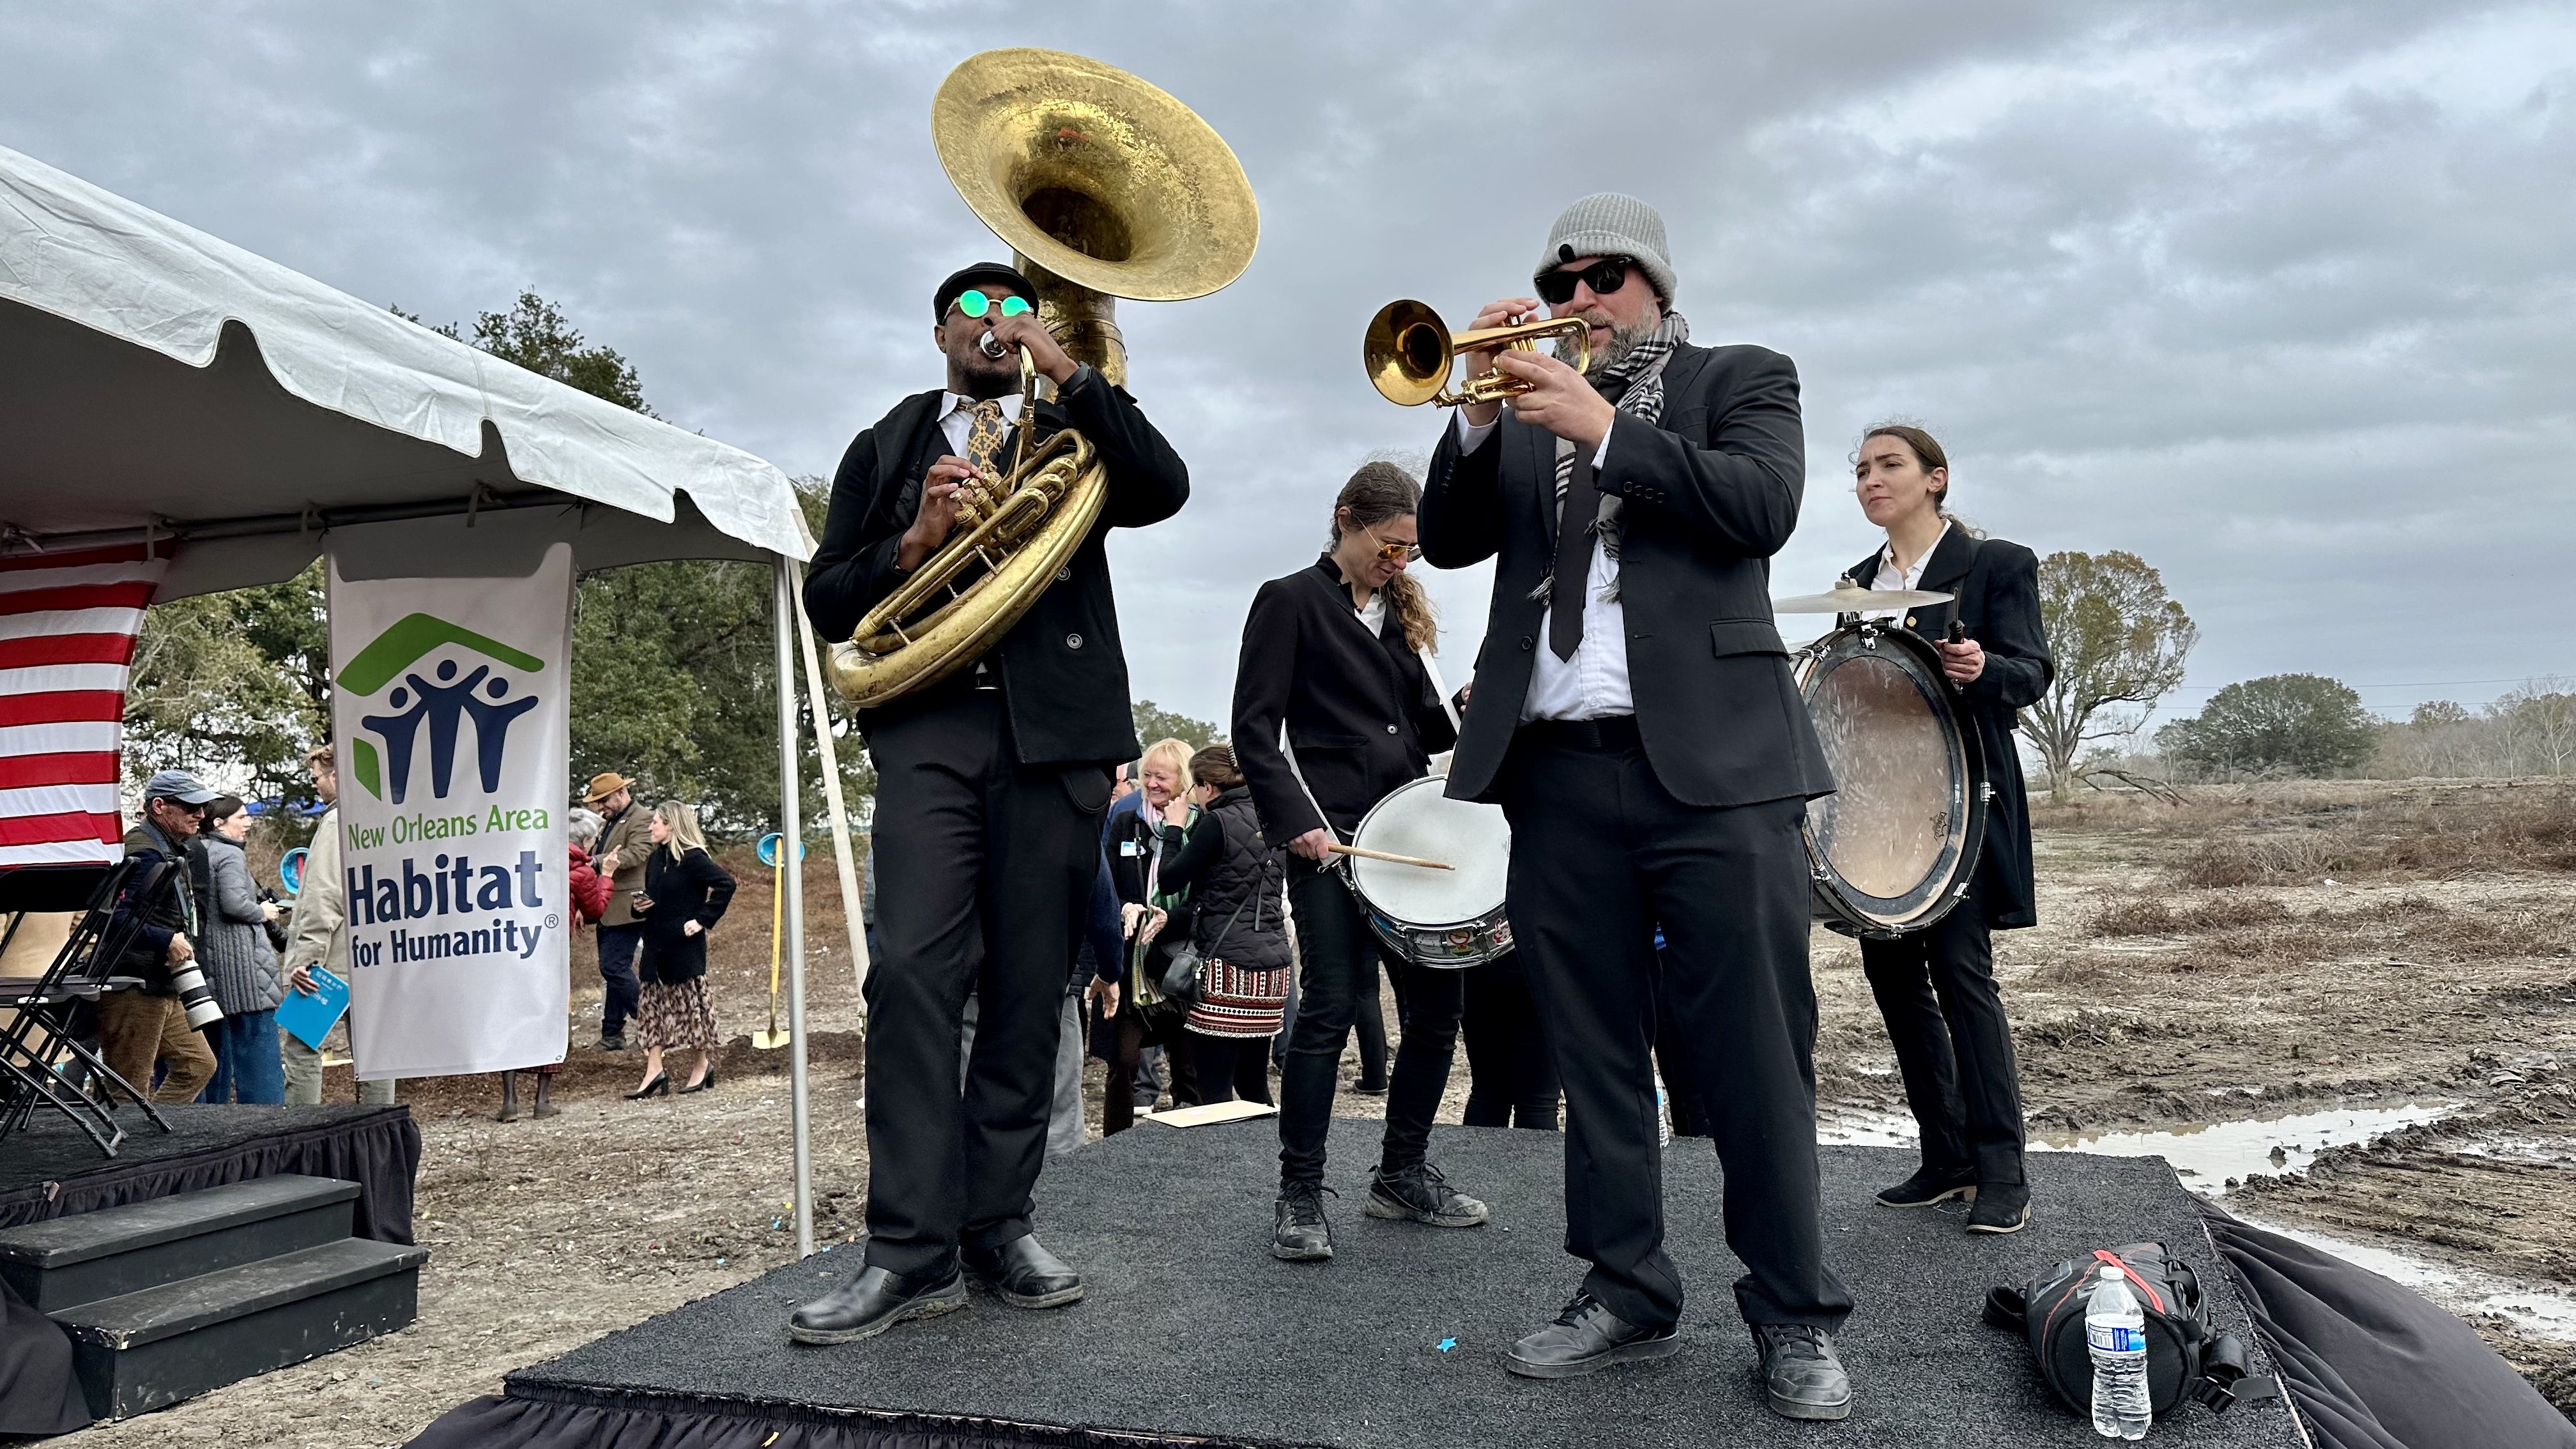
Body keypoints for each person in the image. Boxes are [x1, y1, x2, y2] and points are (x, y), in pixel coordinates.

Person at [1416, 194, 1853, 1416]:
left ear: (1653, 284)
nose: (1577, 294)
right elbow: (1447, 542)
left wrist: (1603, 427)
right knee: (1593, 1048)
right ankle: (1623, 1285)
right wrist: (1474, 416)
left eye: (1601, 274)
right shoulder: (1519, 412)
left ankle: (1793, 1312)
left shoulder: (1741, 376)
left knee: (1754, 1052)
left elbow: (1759, 508)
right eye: (1559, 275)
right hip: (1556, 767)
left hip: (1714, 767)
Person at [795, 259, 1188, 1344]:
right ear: (937, 335)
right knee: (914, 975)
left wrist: (1075, 369)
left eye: (1013, 309)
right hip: (931, 728)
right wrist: (911, 543)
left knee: (1028, 989)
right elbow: (829, 588)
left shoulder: (1076, 427)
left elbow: (1166, 485)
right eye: (970, 312)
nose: (994, 324)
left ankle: (998, 1223)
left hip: (1055, 741)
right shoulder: (889, 440)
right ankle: (906, 1250)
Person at [1233, 461, 1479, 1264]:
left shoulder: (1404, 617)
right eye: (1389, 545)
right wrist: (1296, 823)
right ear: (1346, 519)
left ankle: (1400, 1172)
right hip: (1331, 844)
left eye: (1410, 551)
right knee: (1331, 1008)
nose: (1399, 562)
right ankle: (1300, 1192)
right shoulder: (1288, 601)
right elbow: (1253, 728)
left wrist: (1468, 706)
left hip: (1407, 840)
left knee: (1440, 1010)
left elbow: (1423, 733)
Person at [1844, 424, 2053, 1235]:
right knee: (1894, 983)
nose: (1870, 480)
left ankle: (2004, 1171)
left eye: (1889, 465)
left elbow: (2031, 671)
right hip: (1877, 819)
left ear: (1936, 479)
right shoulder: (1858, 583)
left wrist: (1985, 670)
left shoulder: (1997, 564)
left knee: (1964, 981)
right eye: (1860, 470)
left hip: (1961, 806)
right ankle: (1946, 1156)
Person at [1100, 737, 1211, 1134]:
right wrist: (1125, 907)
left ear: (1182, 779)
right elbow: (1107, 882)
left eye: (1161, 776)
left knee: (1188, 1067)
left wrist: (1173, 919)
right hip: (1133, 961)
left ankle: (1191, 1146)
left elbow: (1207, 898)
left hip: (1181, 960)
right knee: (1124, 1062)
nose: (1151, 783)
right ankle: (1114, 1143)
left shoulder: (1203, 828)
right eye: (1146, 775)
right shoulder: (1126, 822)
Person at [1171, 745, 1289, 1106]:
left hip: (1227, 969)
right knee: (1254, 1085)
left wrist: (1175, 830)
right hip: (1273, 969)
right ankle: (1271, 1156)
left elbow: (1170, 880)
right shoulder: (1274, 817)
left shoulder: (1216, 823)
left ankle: (1216, 1160)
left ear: (1208, 787)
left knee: (1215, 1091)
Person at [280, 745, 397, 1106]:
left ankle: (302, 1140)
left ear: (337, 776)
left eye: (317, 777)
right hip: (377, 959)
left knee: (301, 1048)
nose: (314, 785)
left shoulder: (336, 822)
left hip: (331, 965)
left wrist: (305, 960)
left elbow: (323, 897)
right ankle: (380, 1139)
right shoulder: (388, 820)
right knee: (375, 1056)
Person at [101, 770, 219, 1104]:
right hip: (133, 985)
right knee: (128, 1090)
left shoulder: (165, 847)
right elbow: (108, 918)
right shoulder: (144, 852)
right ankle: (130, 1151)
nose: (201, 815)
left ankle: (152, 1136)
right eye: (191, 807)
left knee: (197, 1066)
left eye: (203, 807)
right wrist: (166, 939)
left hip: (159, 982)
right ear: (159, 807)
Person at [501, 808, 610, 1121]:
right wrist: (609, 876)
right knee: (548, 1020)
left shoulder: (535, 856)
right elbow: (596, 910)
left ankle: (509, 1101)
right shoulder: (583, 871)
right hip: (551, 949)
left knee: (513, 1017)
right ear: (586, 840)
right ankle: (542, 1099)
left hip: (518, 942)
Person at [626, 801, 735, 1100]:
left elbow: (726, 884)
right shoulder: (655, 858)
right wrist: (640, 907)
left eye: (656, 822)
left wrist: (702, 919)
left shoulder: (694, 859)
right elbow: (656, 899)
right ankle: (654, 1070)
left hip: (683, 946)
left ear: (672, 825)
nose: (650, 827)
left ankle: (702, 1065)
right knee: (651, 1009)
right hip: (655, 944)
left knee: (691, 1009)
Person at [188, 796, 286, 1104]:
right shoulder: (230, 855)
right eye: (241, 817)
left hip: (216, 970)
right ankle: (268, 1127)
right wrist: (263, 912)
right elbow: (234, 904)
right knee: (259, 1059)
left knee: (217, 1057)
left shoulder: (198, 852)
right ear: (219, 823)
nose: (249, 822)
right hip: (246, 973)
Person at [584, 772, 648, 1051]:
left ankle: (652, 1025)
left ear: (621, 794)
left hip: (628, 907)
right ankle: (612, 1034)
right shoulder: (611, 823)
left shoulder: (642, 818)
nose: (600, 808)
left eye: (603, 801)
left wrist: (594, 861)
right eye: (597, 803)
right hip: (609, 905)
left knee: (613, 967)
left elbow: (637, 854)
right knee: (613, 972)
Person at [1460, 950, 1558, 1130]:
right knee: (1538, 1100)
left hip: (1480, 952)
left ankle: (1479, 1158)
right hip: (1544, 956)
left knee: (1488, 1093)